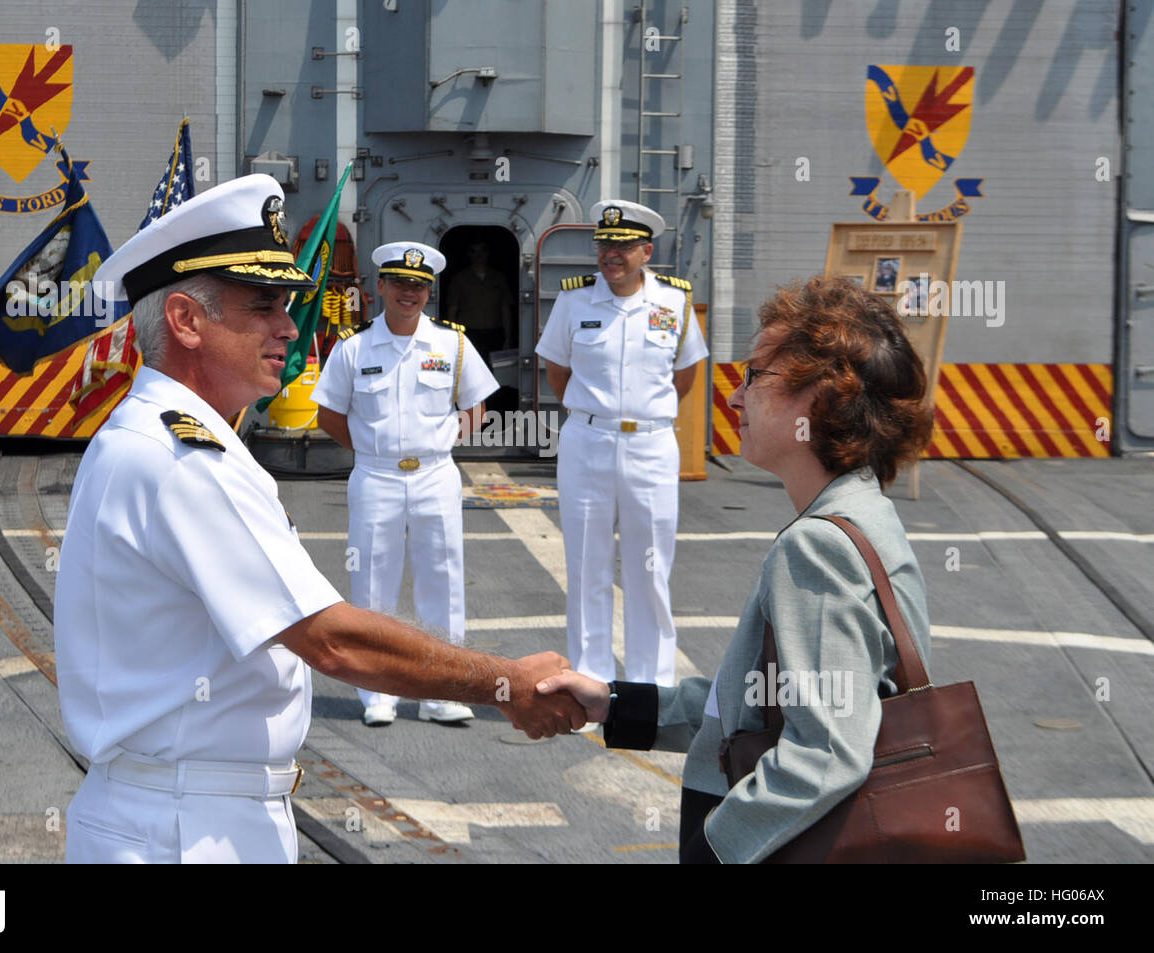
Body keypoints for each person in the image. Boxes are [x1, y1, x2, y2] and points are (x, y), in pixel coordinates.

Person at [54, 175, 582, 864]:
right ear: (185, 320)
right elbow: (332, 641)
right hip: (185, 828)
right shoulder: (182, 456)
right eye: (264, 305)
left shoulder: (162, 437)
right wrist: (502, 682)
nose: (287, 326)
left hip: (192, 810)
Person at [537, 275, 936, 862]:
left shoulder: (818, 547)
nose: (734, 396)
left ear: (824, 398)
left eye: (757, 376)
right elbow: (758, 700)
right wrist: (617, 705)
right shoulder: (861, 510)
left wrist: (712, 853)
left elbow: (825, 753)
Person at [313, 241, 498, 727]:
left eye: (418, 286)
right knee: (373, 584)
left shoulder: (452, 344)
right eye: (399, 283)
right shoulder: (355, 346)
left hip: (436, 474)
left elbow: (477, 404)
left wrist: (442, 443)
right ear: (380, 287)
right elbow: (328, 413)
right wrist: (372, 449)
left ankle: (443, 692)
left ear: (428, 292)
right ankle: (378, 693)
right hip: (375, 476)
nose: (409, 293)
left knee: (444, 581)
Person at [535, 199, 708, 694]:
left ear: (646, 251)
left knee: (649, 568)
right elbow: (557, 370)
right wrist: (596, 414)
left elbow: (685, 373)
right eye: (605, 245)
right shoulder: (573, 301)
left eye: (623, 247)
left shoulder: (674, 302)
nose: (611, 255)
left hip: (651, 446)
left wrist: (644, 415)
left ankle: (650, 689)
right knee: (586, 563)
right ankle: (592, 682)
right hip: (587, 441)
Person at [446, 240, 513, 357]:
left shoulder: (499, 278)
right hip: (467, 334)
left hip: (495, 334)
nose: (478, 254)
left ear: (488, 253)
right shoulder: (459, 279)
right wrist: (451, 337)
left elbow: (505, 309)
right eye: (473, 251)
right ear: (468, 254)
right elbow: (452, 309)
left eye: (483, 250)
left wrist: (508, 338)